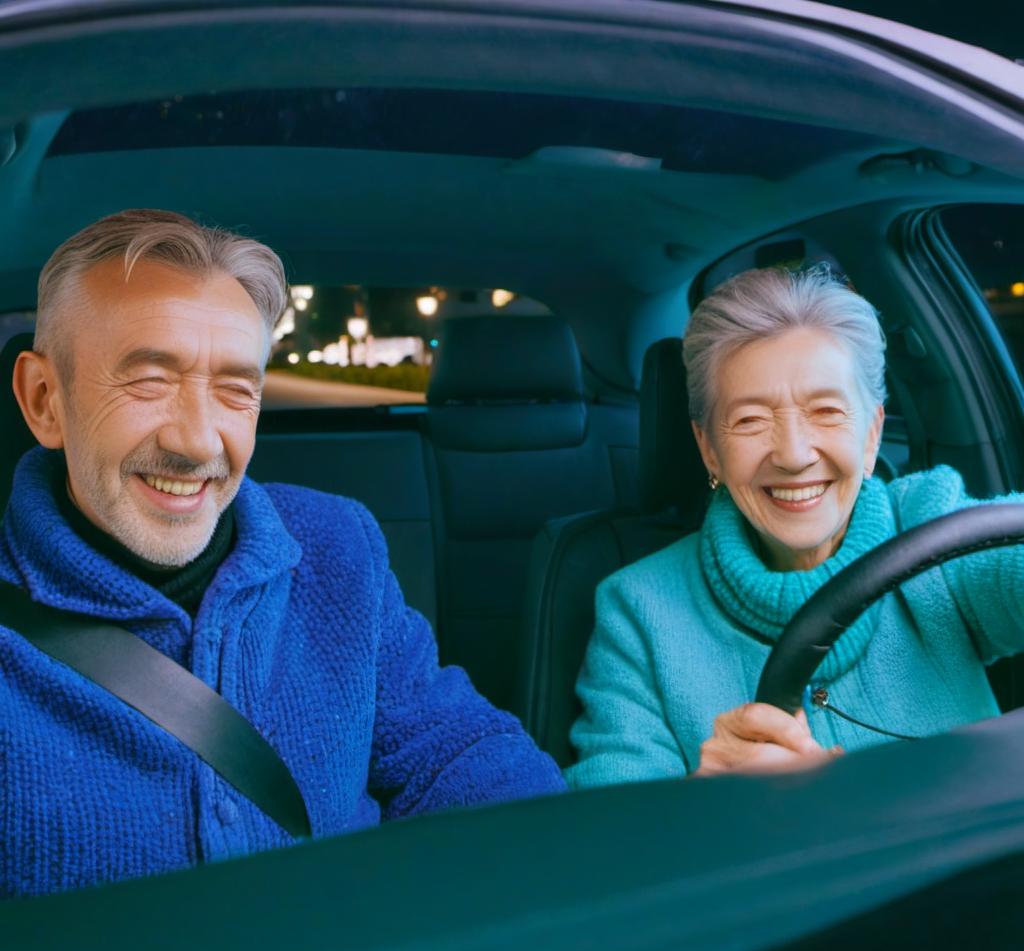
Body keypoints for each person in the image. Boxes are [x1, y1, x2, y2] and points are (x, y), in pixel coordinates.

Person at [1, 209, 564, 899]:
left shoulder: (337, 547)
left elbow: (457, 753)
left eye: (236, 390)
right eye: (149, 381)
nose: (199, 442)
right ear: (43, 400)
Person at [567, 265, 1024, 787]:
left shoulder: (933, 529)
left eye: (826, 411)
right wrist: (704, 803)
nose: (793, 455)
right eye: (750, 420)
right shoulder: (638, 610)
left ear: (872, 433)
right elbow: (611, 839)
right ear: (708, 448)